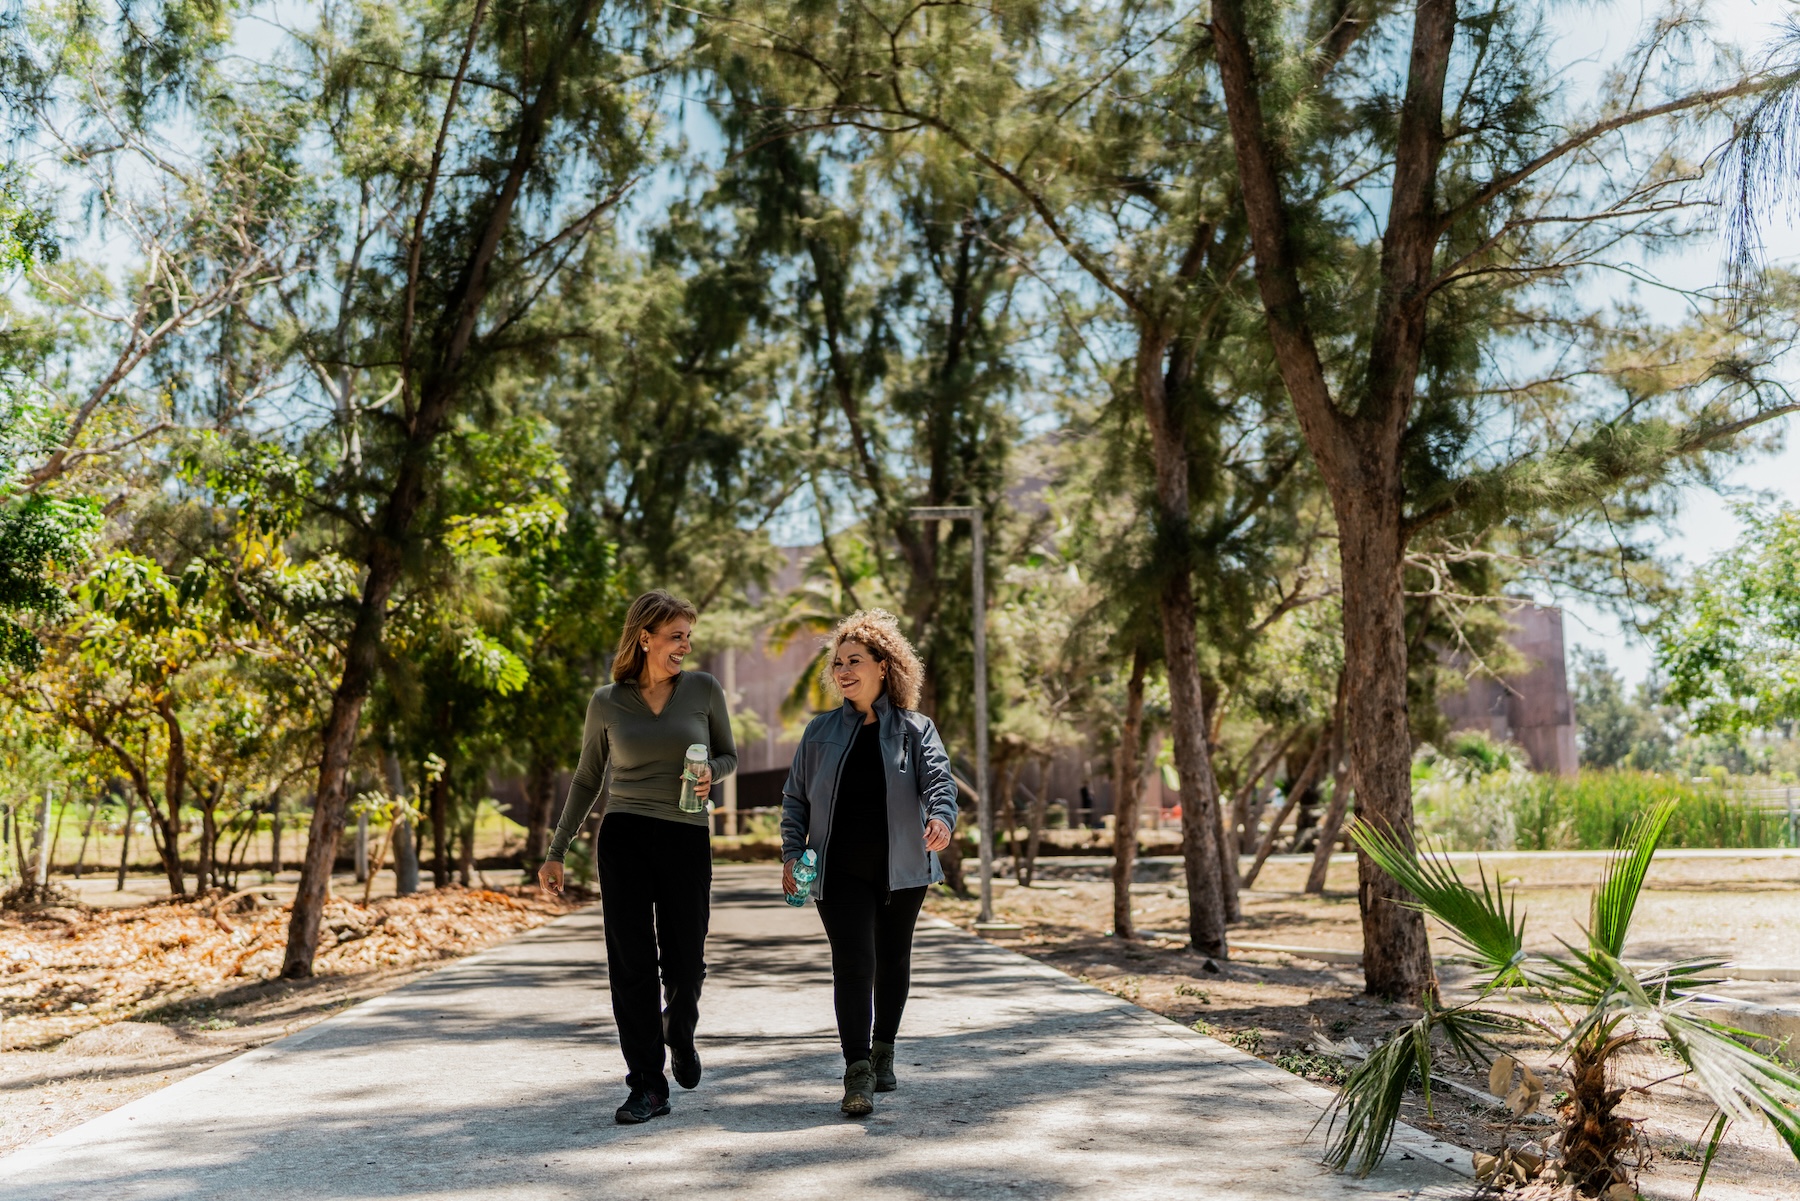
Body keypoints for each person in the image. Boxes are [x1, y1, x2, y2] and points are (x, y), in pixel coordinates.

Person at [538, 590, 737, 1125]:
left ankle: (680, 1027)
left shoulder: (703, 689)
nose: (684, 648)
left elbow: (728, 755)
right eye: (676, 637)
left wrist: (710, 773)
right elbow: (586, 779)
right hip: (624, 836)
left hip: (685, 835)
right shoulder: (607, 701)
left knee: (686, 963)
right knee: (631, 967)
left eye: (687, 638)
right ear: (645, 637)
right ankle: (648, 1085)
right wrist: (557, 851)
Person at [780, 609, 958, 1117]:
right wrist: (792, 852)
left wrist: (941, 820)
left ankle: (885, 1054)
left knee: (892, 959)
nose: (842, 671)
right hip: (838, 871)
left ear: (885, 666)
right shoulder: (819, 731)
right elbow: (795, 798)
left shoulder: (916, 729)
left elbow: (939, 784)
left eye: (854, 661)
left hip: (903, 870)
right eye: (837, 663)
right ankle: (856, 1072)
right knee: (854, 964)